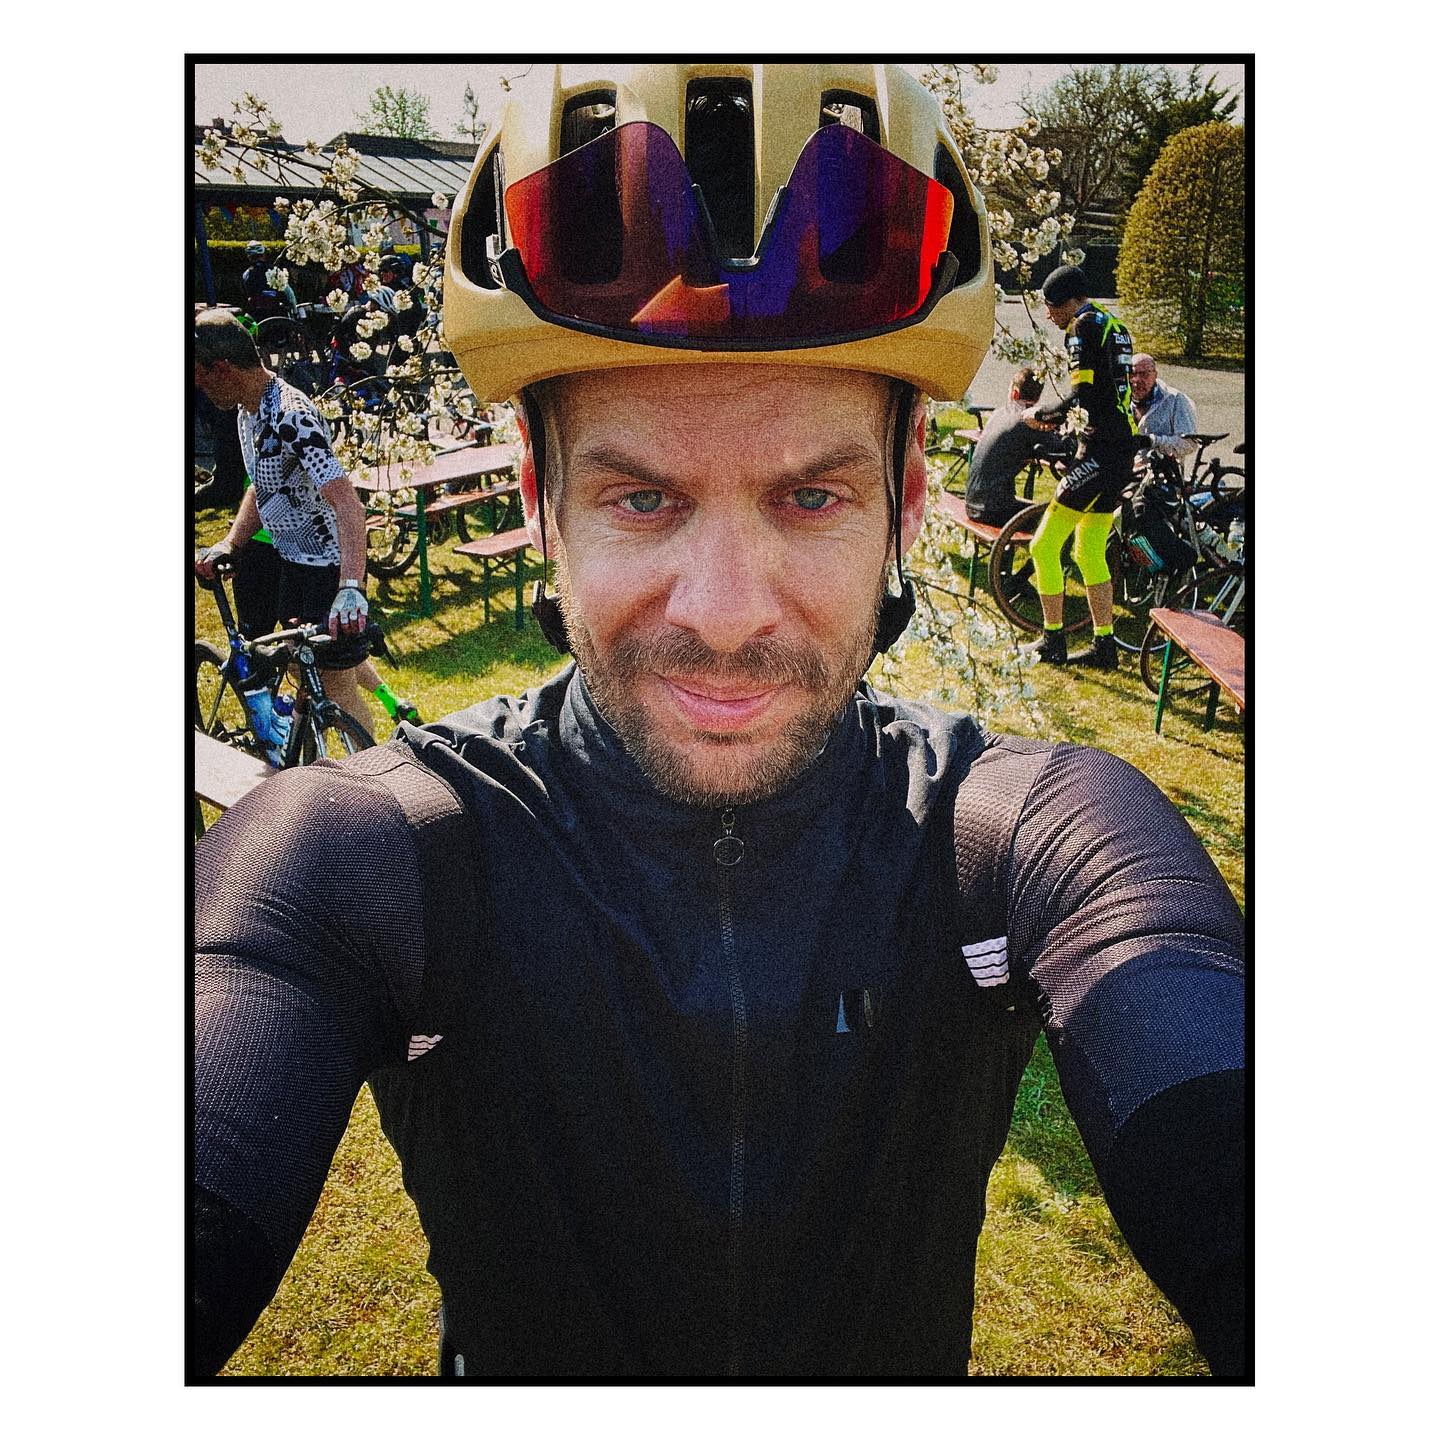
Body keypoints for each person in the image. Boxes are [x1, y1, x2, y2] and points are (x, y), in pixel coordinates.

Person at [193, 65, 1244, 1379]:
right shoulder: (376, 856)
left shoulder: (1027, 837)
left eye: (812, 498)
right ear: (539, 497)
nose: (731, 611)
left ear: (909, 498)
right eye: (642, 499)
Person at [191, 309, 417, 729]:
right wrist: (232, 543)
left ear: (222, 368)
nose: (199, 390)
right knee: (300, 666)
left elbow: (348, 505)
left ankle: (366, 769)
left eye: (201, 379)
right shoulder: (248, 412)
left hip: (328, 570)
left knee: (337, 690)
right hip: (293, 565)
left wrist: (351, 588)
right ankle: (308, 742)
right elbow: (263, 486)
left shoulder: (292, 416)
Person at [1018, 266, 1139, 670]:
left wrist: (1043, 414)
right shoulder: (1114, 324)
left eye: (1052, 306)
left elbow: (1082, 392)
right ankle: (1105, 646)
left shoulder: (1082, 326)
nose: (1049, 315)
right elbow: (1105, 392)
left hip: (1100, 452)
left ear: (1070, 301)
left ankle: (1053, 640)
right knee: (1088, 550)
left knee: (1043, 545)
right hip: (1121, 451)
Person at [962, 366, 1049, 526]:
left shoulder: (998, 414)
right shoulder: (1029, 421)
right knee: (1051, 516)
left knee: (1031, 508)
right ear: (1037, 398)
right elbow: (1057, 447)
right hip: (993, 510)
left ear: (1014, 393)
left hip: (971, 503)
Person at [1131, 352, 1199, 462]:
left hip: (1162, 469)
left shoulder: (1175, 399)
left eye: (1144, 374)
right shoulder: (1120, 399)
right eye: (1132, 374)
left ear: (1155, 375)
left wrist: (1152, 441)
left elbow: (1189, 443)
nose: (1137, 380)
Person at [240, 240, 296, 321]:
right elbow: (290, 295)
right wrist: (295, 311)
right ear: (264, 255)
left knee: (242, 321)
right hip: (277, 313)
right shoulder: (275, 271)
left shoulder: (246, 275)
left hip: (255, 316)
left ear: (249, 257)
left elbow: (245, 296)